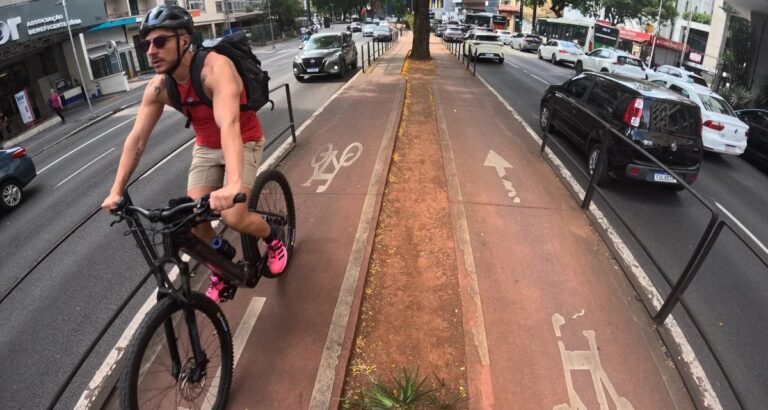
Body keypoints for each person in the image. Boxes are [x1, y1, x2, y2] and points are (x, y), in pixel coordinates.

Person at [100, 5, 288, 303]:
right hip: (205, 147)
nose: (150, 50)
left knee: (234, 217)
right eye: (145, 43)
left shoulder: (215, 68)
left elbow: (229, 124)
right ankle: (221, 264)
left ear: (184, 40)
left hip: (244, 139)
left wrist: (233, 185)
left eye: (160, 41)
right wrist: (116, 190)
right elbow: (136, 140)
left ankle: (273, 237)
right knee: (191, 220)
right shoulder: (160, 87)